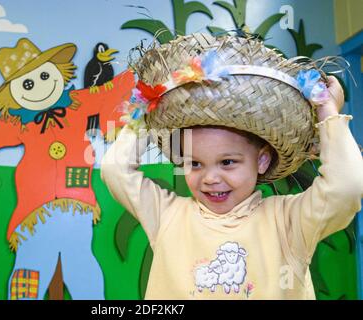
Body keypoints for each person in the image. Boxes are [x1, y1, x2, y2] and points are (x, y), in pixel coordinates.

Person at [100, 33, 363, 299]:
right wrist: (145, 113)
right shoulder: (166, 216)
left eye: (227, 162)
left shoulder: (288, 222)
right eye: (195, 163)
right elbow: (115, 170)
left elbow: (347, 187)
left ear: (262, 160)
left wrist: (328, 113)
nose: (210, 178)